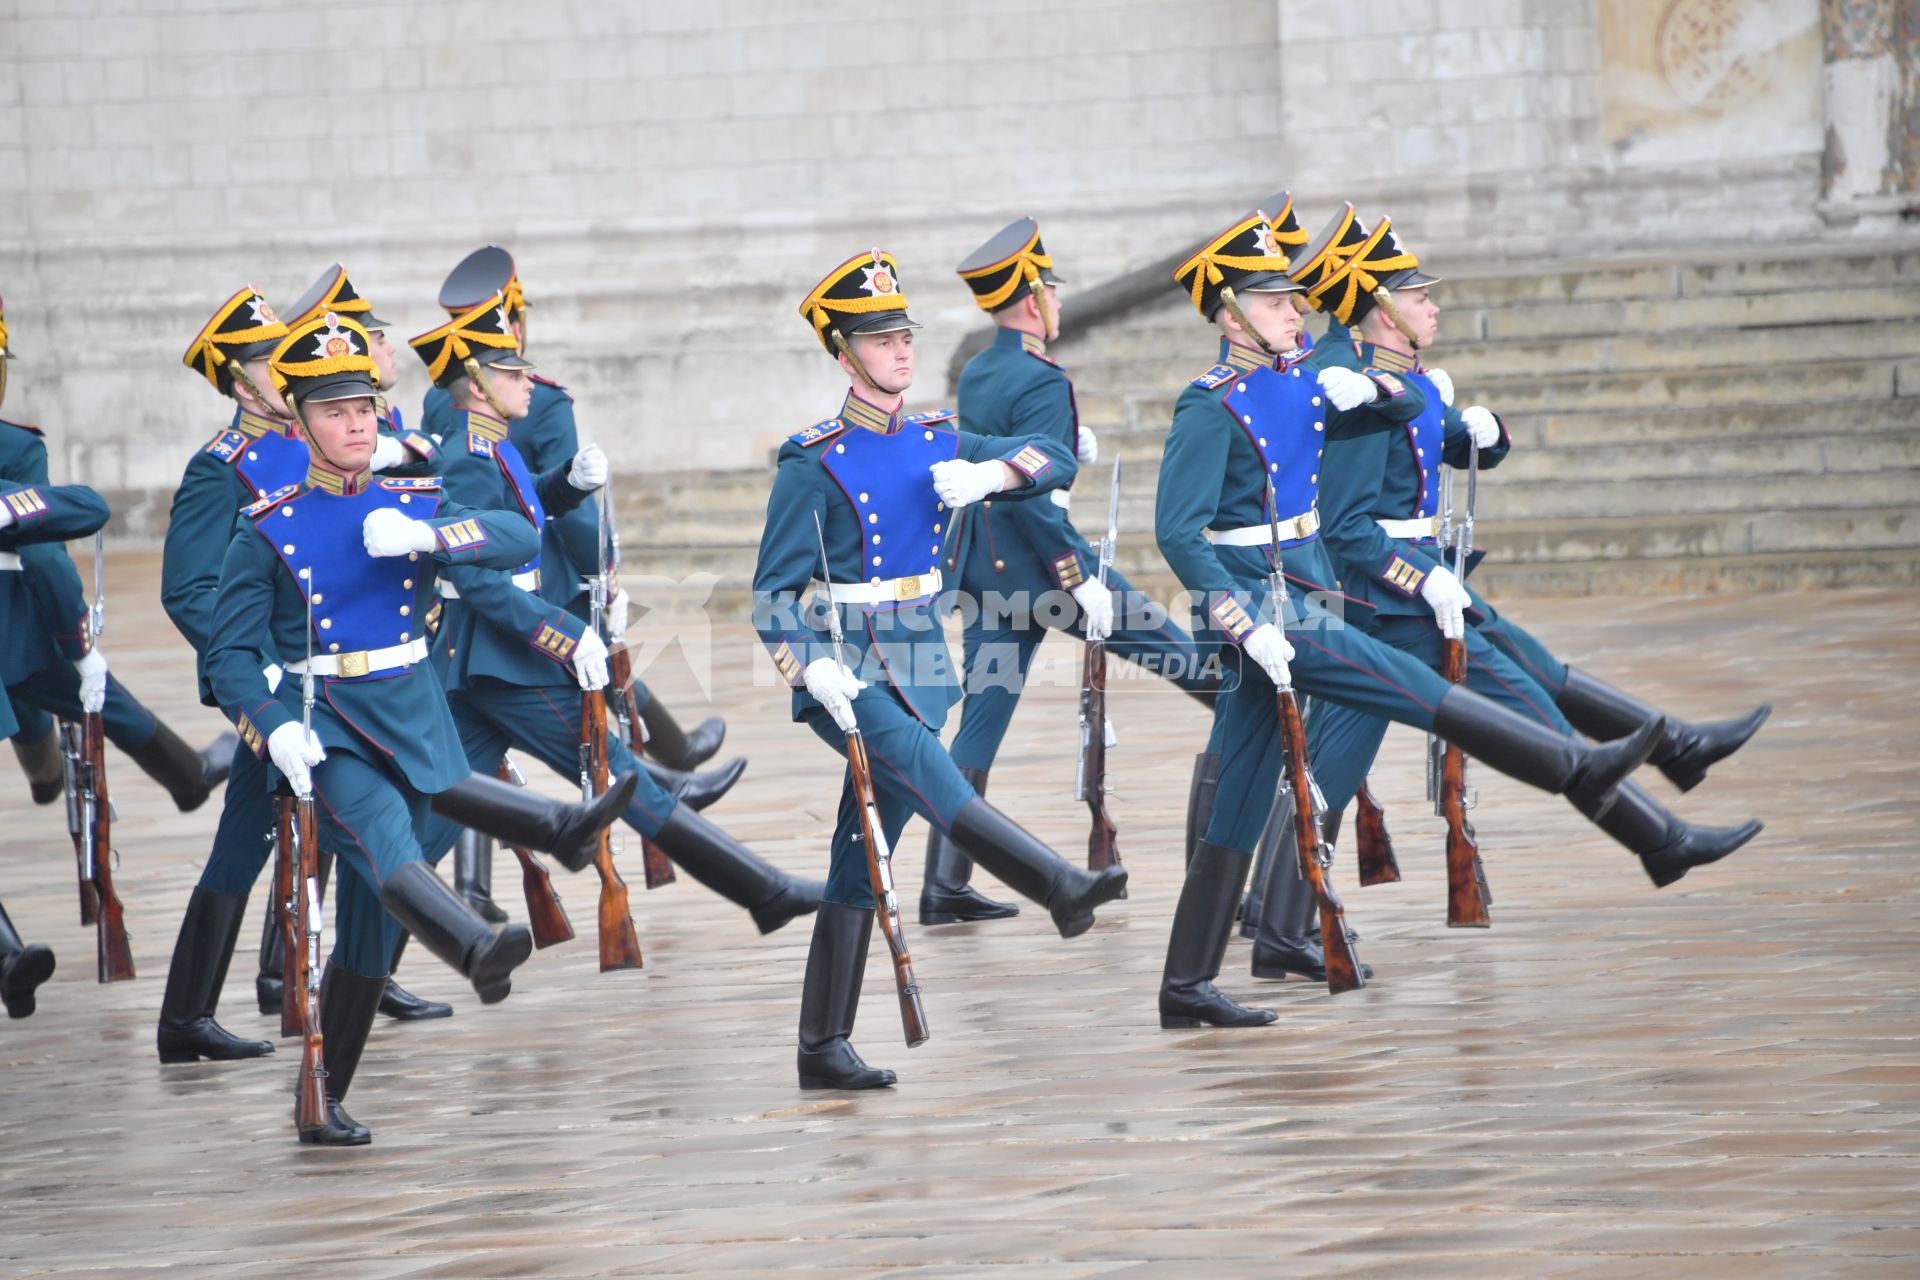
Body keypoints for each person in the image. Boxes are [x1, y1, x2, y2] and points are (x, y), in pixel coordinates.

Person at [1152, 205, 1763, 1029]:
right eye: (1272, 303)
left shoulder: (1299, 382)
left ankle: (1185, 986)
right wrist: (1241, 621)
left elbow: (1405, 416)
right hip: (1264, 601)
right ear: (1229, 317)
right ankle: (1575, 768)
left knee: (1244, 787)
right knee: (1403, 681)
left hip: (1305, 587)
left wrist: (1376, 387)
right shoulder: (1209, 404)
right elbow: (1177, 533)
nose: (1294, 312)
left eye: (1295, 300)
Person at [206, 309, 631, 1144]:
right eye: (334, 411)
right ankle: (474, 942)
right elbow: (227, 656)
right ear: (298, 420)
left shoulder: (412, 497)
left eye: (364, 407)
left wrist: (430, 535)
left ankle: (322, 1098)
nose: (357, 423)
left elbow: (514, 532)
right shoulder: (270, 525)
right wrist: (268, 724)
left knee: (368, 928)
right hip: (326, 724)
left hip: (414, 716)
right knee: (383, 837)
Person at [1297, 206, 1771, 883]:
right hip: (1393, 599)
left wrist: (1484, 431)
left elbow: (1452, 443)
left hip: (1409, 586)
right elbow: (1348, 525)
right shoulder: (1359, 386)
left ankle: (1274, 911)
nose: (1432, 306)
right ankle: (1661, 836)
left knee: (1520, 683)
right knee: (1534, 718)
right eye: (1417, 295)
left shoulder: (1401, 378)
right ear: (1376, 307)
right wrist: (1420, 581)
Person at [752, 249, 1129, 1091]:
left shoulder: (940, 437)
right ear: (844, 355)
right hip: (849, 667)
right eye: (880, 340)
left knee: (865, 849)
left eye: (903, 335)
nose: (900, 351)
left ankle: (821, 1046)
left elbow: (1054, 458)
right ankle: (1056, 883)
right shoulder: (812, 458)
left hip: (921, 655)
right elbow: (773, 592)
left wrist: (994, 472)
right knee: (931, 773)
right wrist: (806, 666)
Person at [406, 296, 820, 937]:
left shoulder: (489, 444)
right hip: (504, 658)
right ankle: (761, 890)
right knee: (625, 776)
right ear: (479, 384)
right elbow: (473, 575)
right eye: (514, 373)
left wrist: (565, 482)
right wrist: (565, 634)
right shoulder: (467, 453)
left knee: (426, 825)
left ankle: (354, 967)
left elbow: (518, 514)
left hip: (475, 662)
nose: (528, 382)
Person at [924, 218, 1217, 925]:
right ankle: (1231, 840)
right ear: (1031, 299)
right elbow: (1031, 491)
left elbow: (1007, 456)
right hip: (1048, 572)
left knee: (978, 728)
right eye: (1050, 291)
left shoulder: (983, 368)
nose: (1057, 302)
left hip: (991, 574)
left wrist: (1066, 453)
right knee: (1199, 671)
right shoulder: (1040, 376)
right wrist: (1075, 576)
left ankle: (944, 883)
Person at [0, 295, 236, 812]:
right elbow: (45, 559)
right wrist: (80, 646)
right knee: (86, 689)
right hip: (13, 640)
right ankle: (187, 777)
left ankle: (42, 769)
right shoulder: (14, 449)